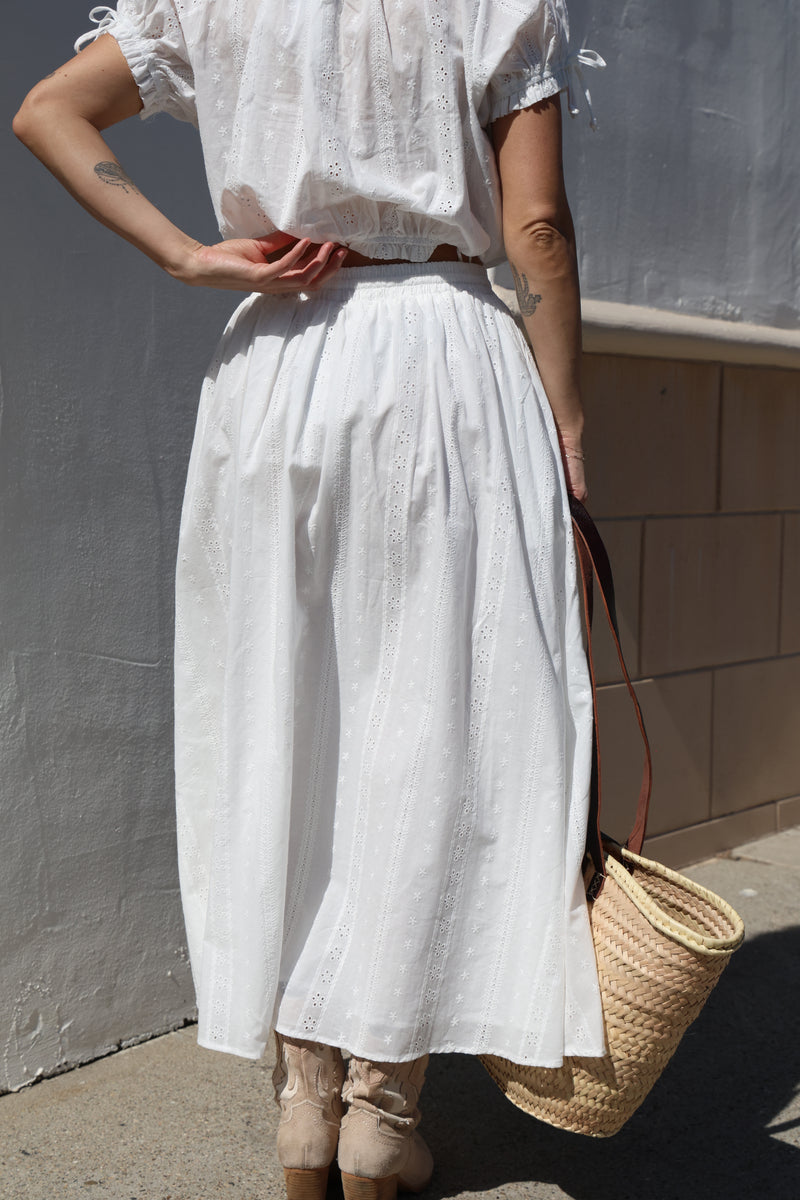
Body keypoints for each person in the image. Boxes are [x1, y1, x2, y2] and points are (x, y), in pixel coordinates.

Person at [13, 3, 606, 1197]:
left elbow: (47, 109)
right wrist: (570, 419)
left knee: (278, 719)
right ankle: (381, 1108)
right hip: (446, 362)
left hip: (279, 365)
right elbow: (534, 222)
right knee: (435, 727)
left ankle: (302, 1104)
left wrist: (186, 253)